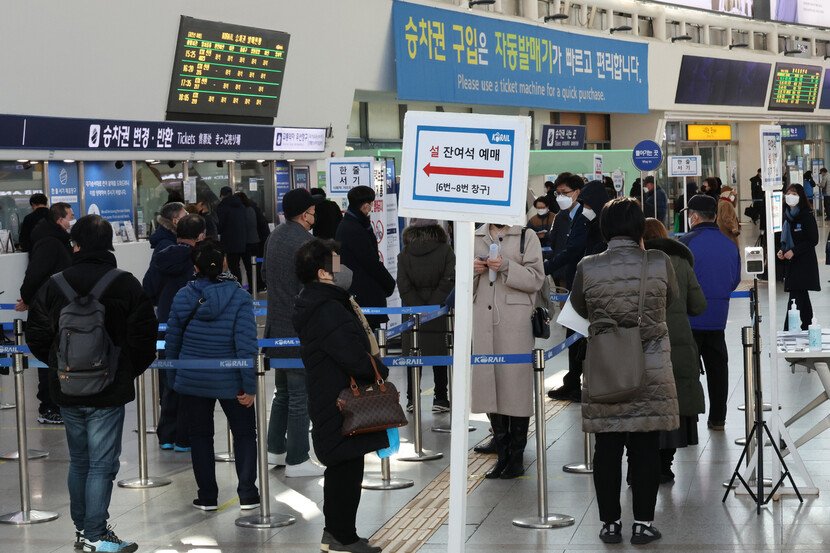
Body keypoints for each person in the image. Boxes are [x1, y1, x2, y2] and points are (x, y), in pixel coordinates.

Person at [26, 214, 158, 553]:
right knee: (102, 463)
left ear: (76, 244)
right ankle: (96, 535)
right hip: (108, 389)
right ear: (109, 244)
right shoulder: (126, 283)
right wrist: (124, 371)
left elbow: (36, 334)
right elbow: (144, 338)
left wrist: (59, 366)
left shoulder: (55, 284)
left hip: (66, 387)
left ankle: (85, 530)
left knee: (80, 461)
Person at [569, 198, 679, 545]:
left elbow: (577, 306)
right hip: (650, 364)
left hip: (607, 364)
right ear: (638, 228)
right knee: (645, 446)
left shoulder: (588, 266)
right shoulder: (659, 261)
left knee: (607, 445)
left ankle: (610, 525)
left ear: (604, 227)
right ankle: (643, 525)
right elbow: (671, 299)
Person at [292, 239, 387, 553]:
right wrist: (377, 368)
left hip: (334, 394)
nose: (343, 269)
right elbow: (350, 355)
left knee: (347, 465)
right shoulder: (327, 308)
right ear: (322, 273)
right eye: (335, 264)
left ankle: (342, 532)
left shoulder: (323, 301)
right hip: (339, 398)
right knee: (344, 467)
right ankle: (341, 536)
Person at [165, 238, 260, 512]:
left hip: (192, 379)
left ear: (195, 266)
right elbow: (246, 345)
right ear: (225, 264)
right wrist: (249, 385)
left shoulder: (184, 296)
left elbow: (172, 341)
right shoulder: (240, 297)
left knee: (200, 437)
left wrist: (174, 378)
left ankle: (207, 496)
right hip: (231, 380)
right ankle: (248, 494)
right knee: (244, 434)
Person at [472, 222, 544, 480]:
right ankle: (501, 455)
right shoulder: (476, 235)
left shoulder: (527, 235)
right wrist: (474, 270)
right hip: (482, 319)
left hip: (515, 321)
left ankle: (516, 457)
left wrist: (505, 266)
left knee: (515, 387)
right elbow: (458, 282)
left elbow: (537, 278)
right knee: (489, 384)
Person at [263, 188, 325, 477]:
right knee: (300, 395)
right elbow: (322, 282)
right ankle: (298, 459)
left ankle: (276, 449)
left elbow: (266, 279)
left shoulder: (274, 237)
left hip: (277, 327)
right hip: (300, 328)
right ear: (305, 214)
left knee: (283, 393)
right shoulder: (307, 243)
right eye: (313, 212)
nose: (315, 216)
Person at [643, 218, 707, 484]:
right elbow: (698, 306)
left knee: (646, 404)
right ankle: (665, 466)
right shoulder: (680, 263)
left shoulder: (638, 264)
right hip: (678, 345)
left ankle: (641, 466)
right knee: (675, 403)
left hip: (645, 345)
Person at [142, 214, 207, 452]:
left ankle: (166, 435)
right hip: (193, 326)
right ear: (200, 236)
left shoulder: (161, 257)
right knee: (190, 378)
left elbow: (147, 287)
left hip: (165, 323)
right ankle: (184, 437)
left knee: (168, 378)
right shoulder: (200, 259)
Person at [679, 194, 740, 431]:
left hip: (690, 319)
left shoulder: (686, 242)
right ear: (715, 216)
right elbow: (734, 281)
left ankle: (689, 422)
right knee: (718, 370)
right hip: (718, 319)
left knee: (688, 371)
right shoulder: (729, 244)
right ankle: (718, 419)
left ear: (693, 217)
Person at [546, 177, 607, 402]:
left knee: (582, 337)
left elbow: (574, 251)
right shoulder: (583, 220)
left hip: (590, 290)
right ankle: (573, 382)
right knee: (574, 335)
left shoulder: (598, 226)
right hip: (579, 286)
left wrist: (545, 267)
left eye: (588, 205)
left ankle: (580, 384)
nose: (585, 209)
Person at [17, 202, 75, 424]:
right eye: (70, 216)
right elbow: (34, 274)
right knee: (49, 359)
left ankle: (57, 402)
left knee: (58, 358)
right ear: (60, 219)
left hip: (57, 307)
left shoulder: (57, 240)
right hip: (49, 310)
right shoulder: (50, 242)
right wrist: (29, 299)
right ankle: (48, 406)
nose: (72, 219)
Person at [397, 218, 455, 412]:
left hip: (412, 312)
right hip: (439, 309)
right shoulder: (445, 250)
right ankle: (440, 398)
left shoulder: (404, 253)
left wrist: (417, 307)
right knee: (439, 353)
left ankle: (412, 398)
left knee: (414, 351)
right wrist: (432, 307)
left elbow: (403, 284)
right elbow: (449, 279)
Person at [335, 185, 396, 330]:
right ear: (365, 206)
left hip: (354, 292)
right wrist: (389, 284)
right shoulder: (355, 229)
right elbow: (371, 262)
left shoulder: (347, 225)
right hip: (363, 295)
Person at [778, 183, 819, 331]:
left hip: (804, 264)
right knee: (801, 295)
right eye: (788, 193)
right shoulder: (786, 217)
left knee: (795, 298)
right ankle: (808, 325)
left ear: (801, 197)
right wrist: (782, 251)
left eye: (794, 194)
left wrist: (794, 251)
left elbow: (813, 239)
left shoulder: (806, 215)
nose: (790, 196)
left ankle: (787, 331)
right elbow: (783, 240)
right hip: (791, 264)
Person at [236, 191, 270, 291]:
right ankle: (258, 286)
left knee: (250, 267)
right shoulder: (252, 208)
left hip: (249, 242)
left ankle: (254, 288)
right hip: (257, 241)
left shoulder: (246, 211)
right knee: (256, 266)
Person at [216, 186, 248, 283]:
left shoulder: (222, 207)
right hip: (242, 240)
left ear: (222, 196)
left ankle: (236, 287)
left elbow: (220, 225)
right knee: (238, 266)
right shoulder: (241, 206)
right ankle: (241, 287)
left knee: (233, 266)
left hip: (229, 241)